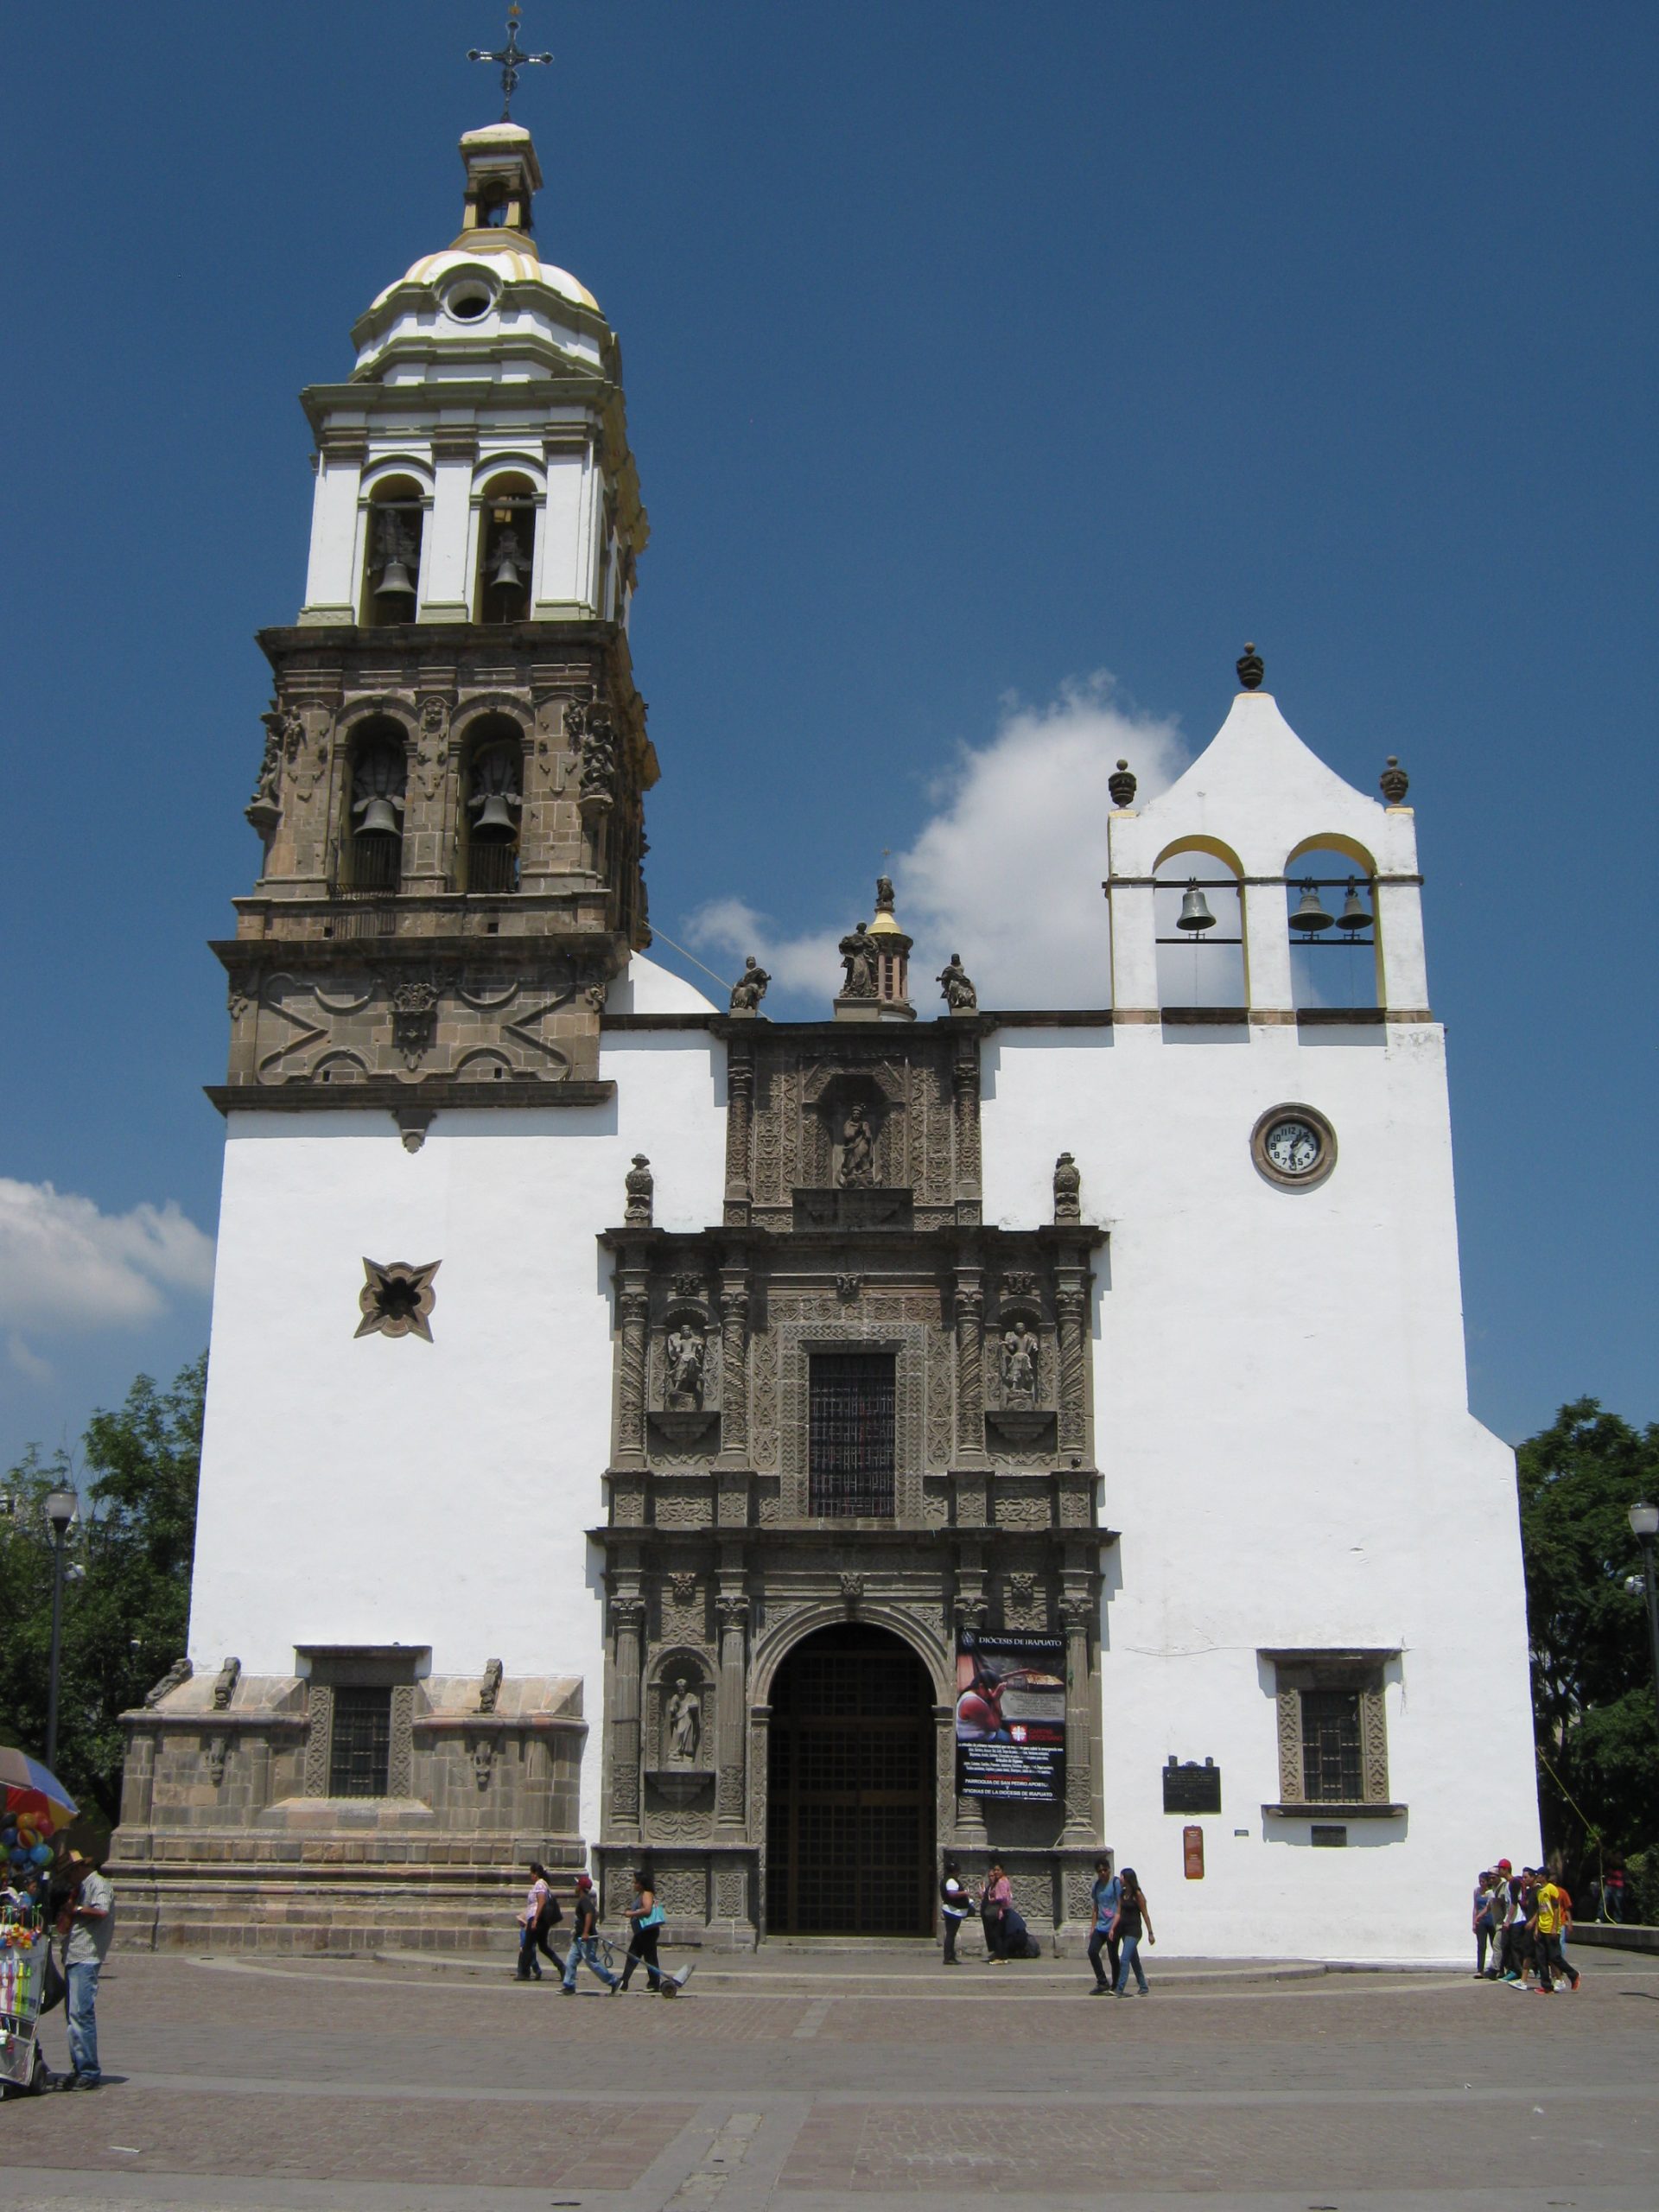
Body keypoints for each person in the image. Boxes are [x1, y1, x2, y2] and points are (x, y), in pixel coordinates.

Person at [54, 1851, 113, 2090]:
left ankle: (88, 2071)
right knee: (73, 2017)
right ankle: (78, 2067)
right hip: (74, 1955)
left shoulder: (97, 1884)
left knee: (81, 2015)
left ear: (78, 1869)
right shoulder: (79, 1889)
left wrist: (76, 1910)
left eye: (69, 1873)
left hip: (86, 1956)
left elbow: (101, 1911)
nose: (68, 1879)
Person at [562, 1873, 620, 1994]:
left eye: (577, 1885)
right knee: (570, 1961)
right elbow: (594, 1914)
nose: (575, 1887)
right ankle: (569, 1986)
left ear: (581, 1888)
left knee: (592, 1963)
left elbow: (589, 1915)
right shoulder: (586, 1901)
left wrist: (586, 1932)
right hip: (578, 1940)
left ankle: (613, 1981)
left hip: (586, 1939)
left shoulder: (584, 1901)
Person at [617, 1870, 673, 1994]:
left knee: (649, 1957)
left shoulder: (646, 1894)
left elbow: (647, 1910)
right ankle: (625, 1981)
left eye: (635, 1882)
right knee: (633, 1955)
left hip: (648, 1931)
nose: (633, 1885)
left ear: (641, 1884)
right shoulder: (642, 1894)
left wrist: (631, 1913)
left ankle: (653, 1983)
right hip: (642, 1931)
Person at [1531, 1873, 1580, 1994]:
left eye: (1539, 1875)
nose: (1537, 1877)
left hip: (1551, 1929)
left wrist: (1554, 1927)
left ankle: (1573, 1974)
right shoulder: (1539, 1892)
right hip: (1542, 1928)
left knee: (1555, 1957)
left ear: (1544, 1877)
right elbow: (1540, 1911)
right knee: (1541, 1958)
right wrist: (1537, 1928)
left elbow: (1557, 1908)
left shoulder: (1551, 1889)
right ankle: (1546, 1986)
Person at [516, 1861, 563, 1982]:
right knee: (543, 1947)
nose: (530, 1876)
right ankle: (562, 1968)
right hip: (539, 1918)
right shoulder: (542, 1884)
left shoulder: (539, 1885)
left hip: (538, 1919)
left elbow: (540, 1902)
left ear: (535, 1873)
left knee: (527, 1946)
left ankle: (524, 1972)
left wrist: (535, 1919)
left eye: (531, 1873)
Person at [1112, 1866, 1154, 1996]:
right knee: (1134, 1960)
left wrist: (1150, 1933)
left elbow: (1145, 1914)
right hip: (1124, 1931)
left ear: (1128, 1879)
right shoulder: (1122, 1894)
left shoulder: (1138, 1895)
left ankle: (1120, 1989)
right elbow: (1118, 1913)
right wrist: (1113, 1928)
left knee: (1124, 1959)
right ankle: (1143, 1986)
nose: (1120, 1879)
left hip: (1134, 1931)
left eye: (1122, 1876)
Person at [1089, 1857, 1122, 1994]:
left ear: (1109, 1870)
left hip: (1113, 1925)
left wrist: (1114, 1926)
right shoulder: (1097, 1886)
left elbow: (1120, 1905)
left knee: (1113, 1955)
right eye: (1100, 1871)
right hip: (1101, 1926)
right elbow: (1096, 1908)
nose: (1102, 1873)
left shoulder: (1115, 1883)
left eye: (1105, 1870)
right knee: (1092, 1951)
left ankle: (1116, 1984)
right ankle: (1102, 1981)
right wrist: (1092, 1927)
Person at [939, 1859, 970, 1966]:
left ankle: (950, 1956)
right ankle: (949, 1957)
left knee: (950, 1934)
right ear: (955, 1871)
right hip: (953, 1911)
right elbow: (952, 1894)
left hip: (952, 1910)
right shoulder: (951, 1881)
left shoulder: (947, 1880)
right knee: (951, 1934)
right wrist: (964, 1893)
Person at [1473, 1869, 1500, 1979]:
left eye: (1483, 1881)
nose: (1481, 1883)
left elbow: (1491, 1906)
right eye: (1480, 1881)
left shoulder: (1491, 1892)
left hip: (1491, 1920)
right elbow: (1475, 1907)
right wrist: (1474, 1921)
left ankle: (1496, 1967)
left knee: (1495, 1944)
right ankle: (1480, 1969)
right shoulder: (1476, 1891)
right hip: (1481, 1922)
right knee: (1481, 1945)